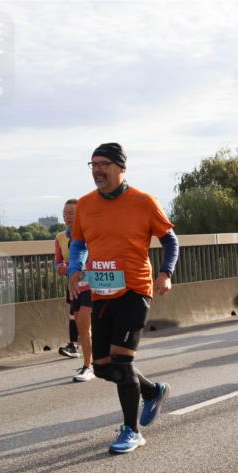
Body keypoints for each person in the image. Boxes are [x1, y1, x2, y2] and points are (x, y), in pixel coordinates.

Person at [68, 142, 177, 454]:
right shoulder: (86, 205)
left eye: (103, 164)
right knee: (102, 366)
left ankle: (132, 430)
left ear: (120, 167)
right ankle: (153, 391)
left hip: (134, 289)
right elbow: (78, 243)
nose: (97, 170)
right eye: (93, 165)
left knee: (122, 360)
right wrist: (75, 269)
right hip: (102, 290)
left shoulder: (143, 201)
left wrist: (166, 272)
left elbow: (170, 239)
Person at [55, 198, 94, 382]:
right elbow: (58, 262)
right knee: (80, 323)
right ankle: (91, 362)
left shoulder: (90, 230)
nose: (67, 217)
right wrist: (63, 268)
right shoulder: (62, 237)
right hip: (75, 283)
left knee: (85, 322)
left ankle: (89, 366)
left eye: (71, 213)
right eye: (65, 214)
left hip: (92, 282)